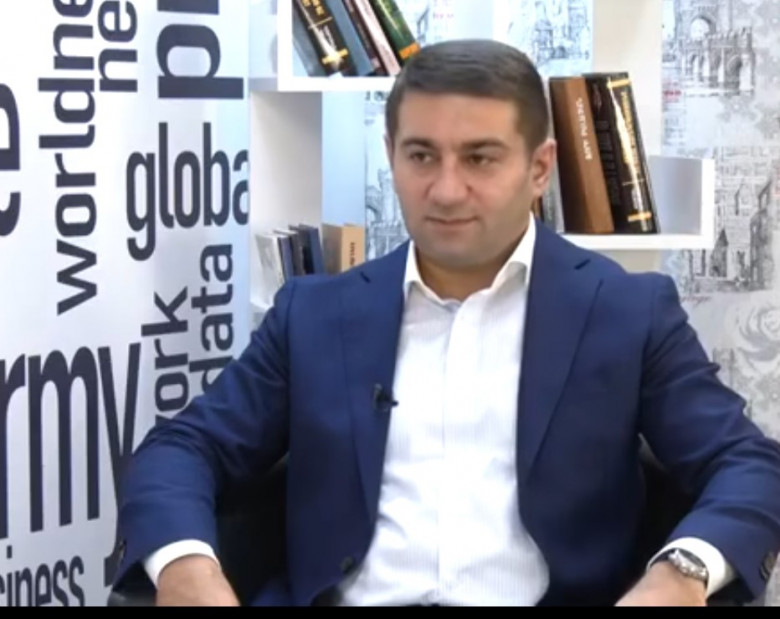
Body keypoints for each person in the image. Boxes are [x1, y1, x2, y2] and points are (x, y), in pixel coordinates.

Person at [112, 39, 780, 607]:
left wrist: (680, 573)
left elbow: (748, 463)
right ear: (392, 155)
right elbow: (183, 447)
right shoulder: (313, 313)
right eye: (422, 155)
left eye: (480, 157)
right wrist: (186, 565)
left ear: (539, 167)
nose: (446, 189)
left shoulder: (627, 312)